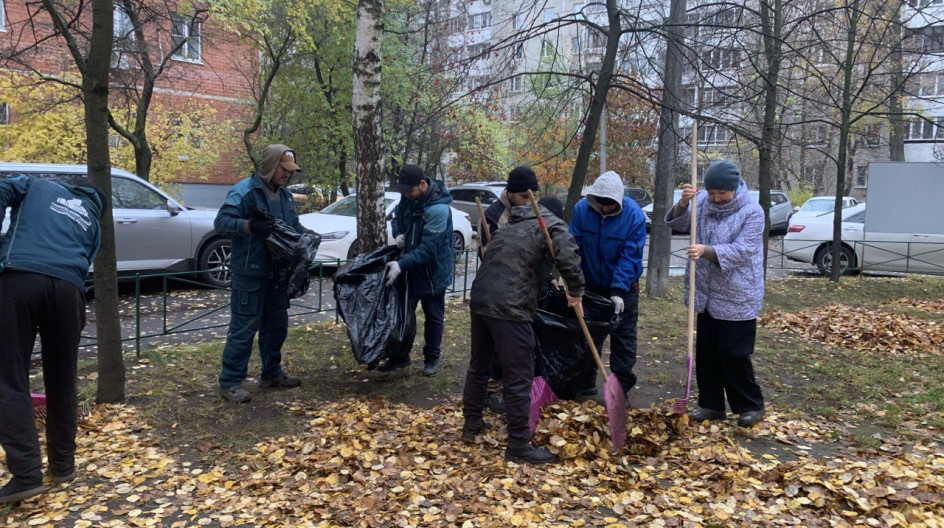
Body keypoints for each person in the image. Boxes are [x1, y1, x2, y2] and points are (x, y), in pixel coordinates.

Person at [0, 175, 105, 504]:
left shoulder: (35, 185)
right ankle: (62, 465)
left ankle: (26, 474)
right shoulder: (93, 223)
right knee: (62, 380)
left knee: (8, 378)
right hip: (68, 292)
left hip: (19, 278)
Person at [462, 199, 585, 464]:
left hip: (481, 299)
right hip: (511, 305)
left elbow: (518, 259)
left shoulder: (510, 226)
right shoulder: (551, 224)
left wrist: (547, 276)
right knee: (519, 374)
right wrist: (576, 290)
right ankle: (518, 445)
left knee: (479, 365)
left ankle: (471, 424)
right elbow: (567, 255)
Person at [664, 160, 766, 427]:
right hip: (706, 292)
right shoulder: (701, 203)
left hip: (738, 292)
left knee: (734, 353)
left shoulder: (752, 212)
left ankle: (749, 405)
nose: (717, 198)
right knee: (707, 352)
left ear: (734, 188)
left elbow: (744, 249)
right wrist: (683, 203)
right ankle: (711, 404)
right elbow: (680, 224)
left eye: (722, 193)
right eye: (712, 193)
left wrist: (707, 251)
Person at [214, 144, 305, 403]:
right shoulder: (244, 191)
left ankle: (271, 372)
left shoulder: (285, 196)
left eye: (290, 170)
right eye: (283, 169)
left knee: (277, 326)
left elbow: (293, 226)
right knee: (243, 329)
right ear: (269, 166)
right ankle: (230, 382)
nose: (287, 174)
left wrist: (307, 238)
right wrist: (250, 225)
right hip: (250, 273)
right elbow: (221, 223)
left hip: (277, 274)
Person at [568, 170, 647, 402]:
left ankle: (620, 390)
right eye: (600, 202)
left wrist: (618, 290)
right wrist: (576, 284)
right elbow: (574, 249)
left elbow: (631, 255)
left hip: (624, 287)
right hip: (590, 284)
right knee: (586, 335)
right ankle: (585, 383)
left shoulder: (633, 215)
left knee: (623, 338)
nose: (604, 207)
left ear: (618, 200)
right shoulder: (582, 210)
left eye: (609, 204)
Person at [477, 166, 542, 414]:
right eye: (524, 196)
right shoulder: (493, 217)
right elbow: (488, 256)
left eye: (532, 196)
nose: (529, 201)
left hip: (525, 287)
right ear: (511, 192)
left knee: (519, 346)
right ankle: (493, 389)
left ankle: (514, 387)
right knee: (496, 343)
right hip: (500, 290)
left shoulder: (532, 209)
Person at [380, 164, 454, 377]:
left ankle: (432, 357)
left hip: (433, 271)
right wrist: (398, 233)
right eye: (403, 192)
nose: (406, 195)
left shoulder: (438, 210)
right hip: (409, 267)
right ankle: (400, 356)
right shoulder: (408, 197)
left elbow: (429, 249)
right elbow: (397, 219)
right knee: (403, 313)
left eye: (409, 191)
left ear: (422, 184)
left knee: (433, 316)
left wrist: (400, 264)